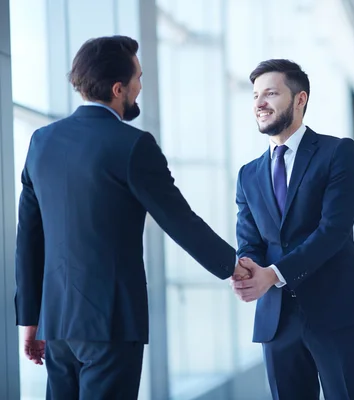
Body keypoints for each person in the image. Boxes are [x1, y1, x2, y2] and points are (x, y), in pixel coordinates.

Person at [14, 35, 249, 400]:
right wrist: (232, 265)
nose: (141, 85)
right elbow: (179, 219)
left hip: (56, 323)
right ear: (118, 88)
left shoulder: (41, 142)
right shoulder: (132, 145)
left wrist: (30, 318)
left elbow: (28, 236)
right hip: (111, 322)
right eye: (138, 77)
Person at [230, 59, 354, 400]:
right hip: (277, 318)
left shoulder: (337, 152)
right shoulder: (248, 175)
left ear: (300, 100)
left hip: (336, 311)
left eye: (270, 93)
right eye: (255, 95)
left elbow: (333, 231)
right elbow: (250, 241)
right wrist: (247, 270)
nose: (259, 103)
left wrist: (274, 273)